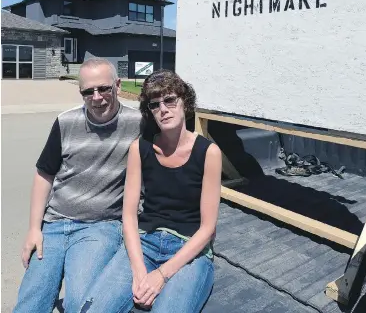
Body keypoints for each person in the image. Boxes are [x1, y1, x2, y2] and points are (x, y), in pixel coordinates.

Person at [79, 70, 222, 313]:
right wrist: (138, 272)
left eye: (170, 100)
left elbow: (208, 228)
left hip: (189, 251)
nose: (163, 109)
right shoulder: (140, 149)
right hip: (145, 242)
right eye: (155, 105)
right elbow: (129, 215)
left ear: (185, 103)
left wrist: (161, 275)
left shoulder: (208, 152)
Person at [13, 57, 142, 313]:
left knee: (79, 304)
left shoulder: (137, 123)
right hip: (54, 223)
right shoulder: (65, 122)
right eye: (88, 91)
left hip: (100, 227)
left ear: (117, 85)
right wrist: (33, 230)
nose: (97, 97)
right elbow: (44, 176)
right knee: (30, 304)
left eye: (104, 88)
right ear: (80, 92)